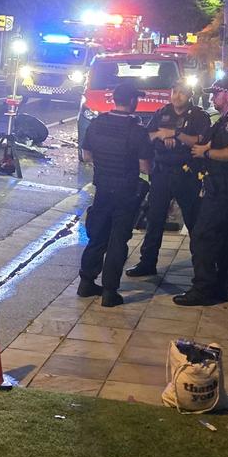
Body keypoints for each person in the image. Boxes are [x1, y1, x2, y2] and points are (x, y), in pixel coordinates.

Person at [174, 80, 228, 306]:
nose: (212, 98)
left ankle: (203, 288)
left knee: (203, 234)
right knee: (225, 236)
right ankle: (223, 286)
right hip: (223, 183)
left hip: (224, 184)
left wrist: (205, 154)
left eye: (216, 93)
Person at [125, 78, 213, 278]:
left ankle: (203, 268)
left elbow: (202, 140)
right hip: (162, 172)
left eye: (181, 92)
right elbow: (147, 136)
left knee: (194, 221)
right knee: (154, 219)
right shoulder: (162, 112)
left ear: (190, 94)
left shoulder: (199, 116)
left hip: (187, 174)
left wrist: (176, 135)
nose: (176, 96)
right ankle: (147, 263)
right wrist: (161, 136)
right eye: (174, 91)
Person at [79, 81, 153, 307]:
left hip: (102, 188)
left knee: (98, 235)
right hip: (126, 190)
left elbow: (86, 155)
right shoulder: (137, 130)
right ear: (132, 101)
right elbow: (145, 167)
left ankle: (86, 282)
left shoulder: (97, 123)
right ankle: (110, 291)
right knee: (118, 240)